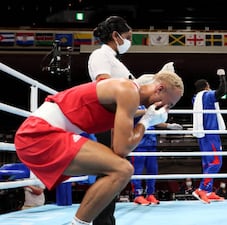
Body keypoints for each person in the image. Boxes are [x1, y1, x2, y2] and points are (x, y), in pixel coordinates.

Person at [14, 71, 184, 225]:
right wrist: (147, 122)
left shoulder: (127, 97)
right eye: (170, 104)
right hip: (39, 135)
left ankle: (80, 223)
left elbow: (118, 147)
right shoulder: (128, 91)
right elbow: (122, 149)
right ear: (159, 88)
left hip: (40, 135)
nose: (166, 109)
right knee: (122, 169)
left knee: (117, 168)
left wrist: (145, 116)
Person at [87, 15, 134, 225]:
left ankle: (106, 220)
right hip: (109, 119)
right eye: (128, 37)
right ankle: (101, 221)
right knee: (110, 171)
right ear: (116, 36)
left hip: (118, 119)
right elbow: (103, 86)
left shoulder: (115, 60)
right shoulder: (100, 55)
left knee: (116, 172)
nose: (129, 41)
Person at [130, 104, 183, 205]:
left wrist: (168, 126)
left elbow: (155, 121)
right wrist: (146, 112)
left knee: (153, 169)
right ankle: (138, 195)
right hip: (138, 142)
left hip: (151, 142)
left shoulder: (148, 106)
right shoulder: (133, 103)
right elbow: (130, 114)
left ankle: (150, 194)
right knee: (137, 169)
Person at [191, 69, 227, 204]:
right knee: (216, 162)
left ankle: (209, 191)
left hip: (203, 134)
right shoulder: (206, 95)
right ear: (206, 87)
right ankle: (201, 189)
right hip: (210, 133)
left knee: (208, 164)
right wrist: (222, 77)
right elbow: (222, 92)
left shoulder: (196, 98)